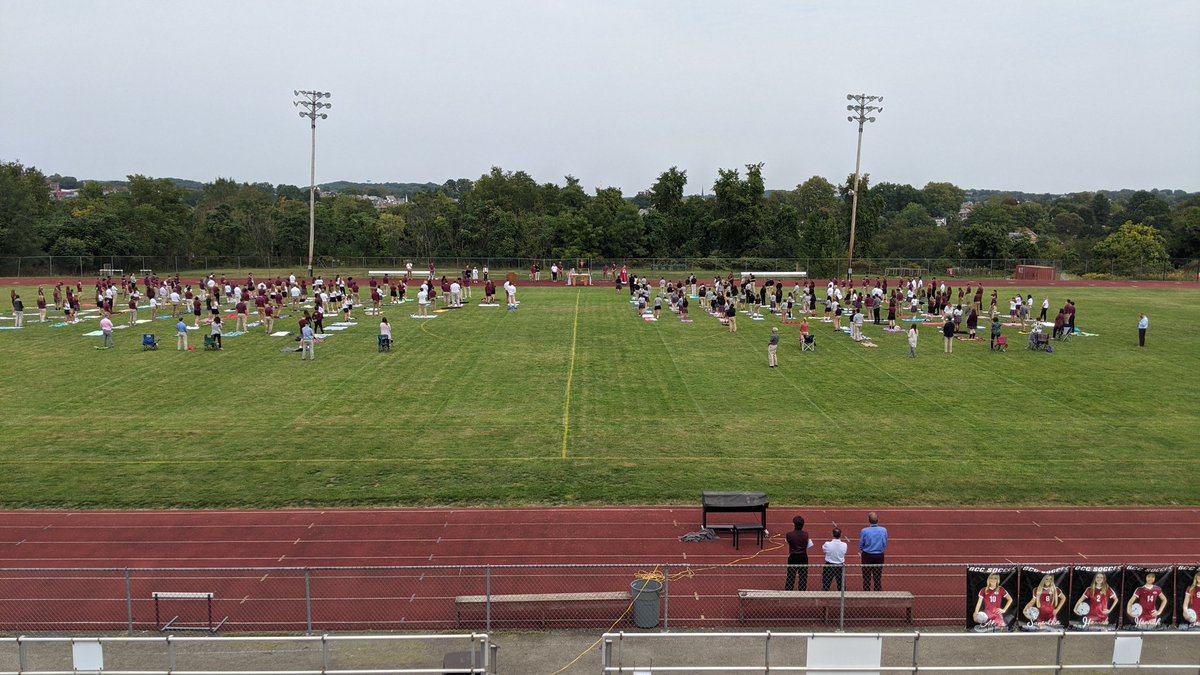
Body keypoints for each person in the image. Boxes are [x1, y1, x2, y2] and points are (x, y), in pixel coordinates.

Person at [858, 512, 888, 591]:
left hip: (867, 555)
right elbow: (884, 542)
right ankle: (877, 591)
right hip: (879, 555)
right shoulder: (883, 530)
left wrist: (864, 549)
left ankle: (866, 592)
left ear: (869, 520)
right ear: (877, 520)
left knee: (866, 575)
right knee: (878, 575)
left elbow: (861, 543)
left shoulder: (864, 531)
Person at [784, 516, 812, 591]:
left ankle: (789, 590)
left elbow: (787, 541)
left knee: (791, 574)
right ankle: (802, 590)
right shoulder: (806, 535)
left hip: (793, 556)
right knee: (803, 575)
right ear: (803, 525)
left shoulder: (789, 534)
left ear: (794, 524)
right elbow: (809, 545)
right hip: (803, 556)